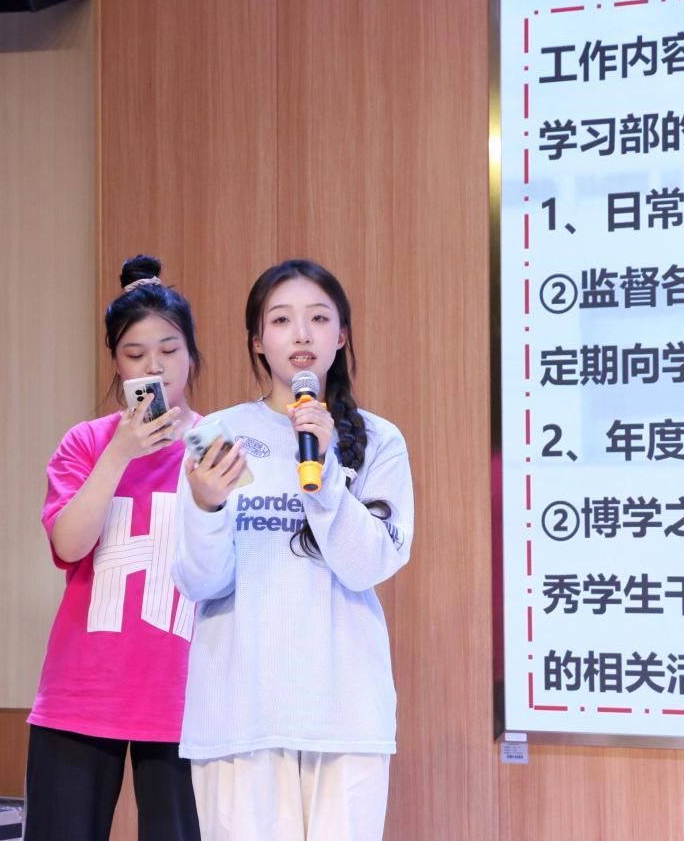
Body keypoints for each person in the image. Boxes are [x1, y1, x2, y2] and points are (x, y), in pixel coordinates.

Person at [172, 259, 414, 841]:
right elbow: (200, 583)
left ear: (342, 335)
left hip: (344, 715)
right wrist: (206, 505)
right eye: (281, 320)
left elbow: (366, 566)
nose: (301, 334)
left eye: (319, 319)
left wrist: (326, 472)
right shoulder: (220, 434)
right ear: (258, 340)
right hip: (241, 714)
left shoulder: (378, 440)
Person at [24, 255, 202, 841]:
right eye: (135, 353)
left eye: (169, 349)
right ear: (117, 363)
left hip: (186, 695)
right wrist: (120, 453)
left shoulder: (216, 443)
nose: (155, 365)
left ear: (192, 356)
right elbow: (69, 544)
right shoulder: (86, 442)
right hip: (83, 691)